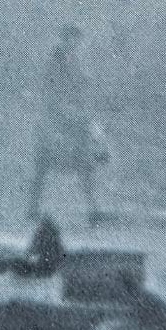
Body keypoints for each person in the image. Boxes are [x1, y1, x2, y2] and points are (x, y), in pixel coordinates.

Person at [27, 24, 106, 225]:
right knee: (43, 164)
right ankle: (32, 208)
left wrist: (84, 85)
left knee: (85, 159)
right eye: (72, 39)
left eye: (77, 40)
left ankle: (93, 208)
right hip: (55, 115)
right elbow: (50, 90)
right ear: (64, 39)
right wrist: (66, 105)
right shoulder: (54, 61)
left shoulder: (73, 60)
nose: (75, 43)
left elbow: (80, 84)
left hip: (71, 114)